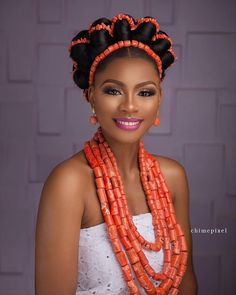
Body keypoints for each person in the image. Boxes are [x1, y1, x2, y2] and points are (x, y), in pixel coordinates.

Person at [35, 13, 198, 295]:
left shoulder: (172, 177)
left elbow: (185, 282)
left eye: (145, 93)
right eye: (113, 90)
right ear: (91, 97)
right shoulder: (69, 183)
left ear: (159, 101)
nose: (130, 106)